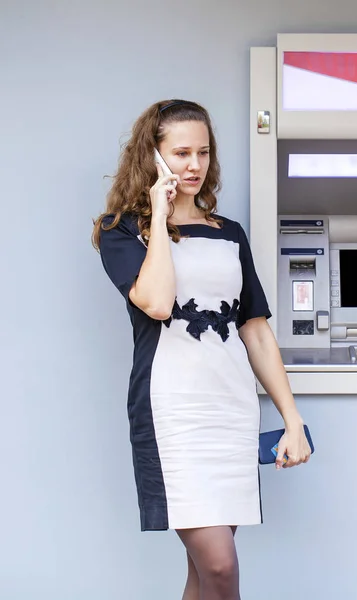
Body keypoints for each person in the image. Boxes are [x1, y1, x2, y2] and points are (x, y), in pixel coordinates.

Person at [92, 99, 312, 600]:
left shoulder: (230, 234)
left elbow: (254, 330)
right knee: (220, 568)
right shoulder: (122, 231)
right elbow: (156, 301)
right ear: (154, 156)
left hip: (230, 410)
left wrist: (291, 418)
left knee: (202, 576)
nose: (195, 166)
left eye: (204, 153)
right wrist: (163, 214)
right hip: (173, 413)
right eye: (182, 153)